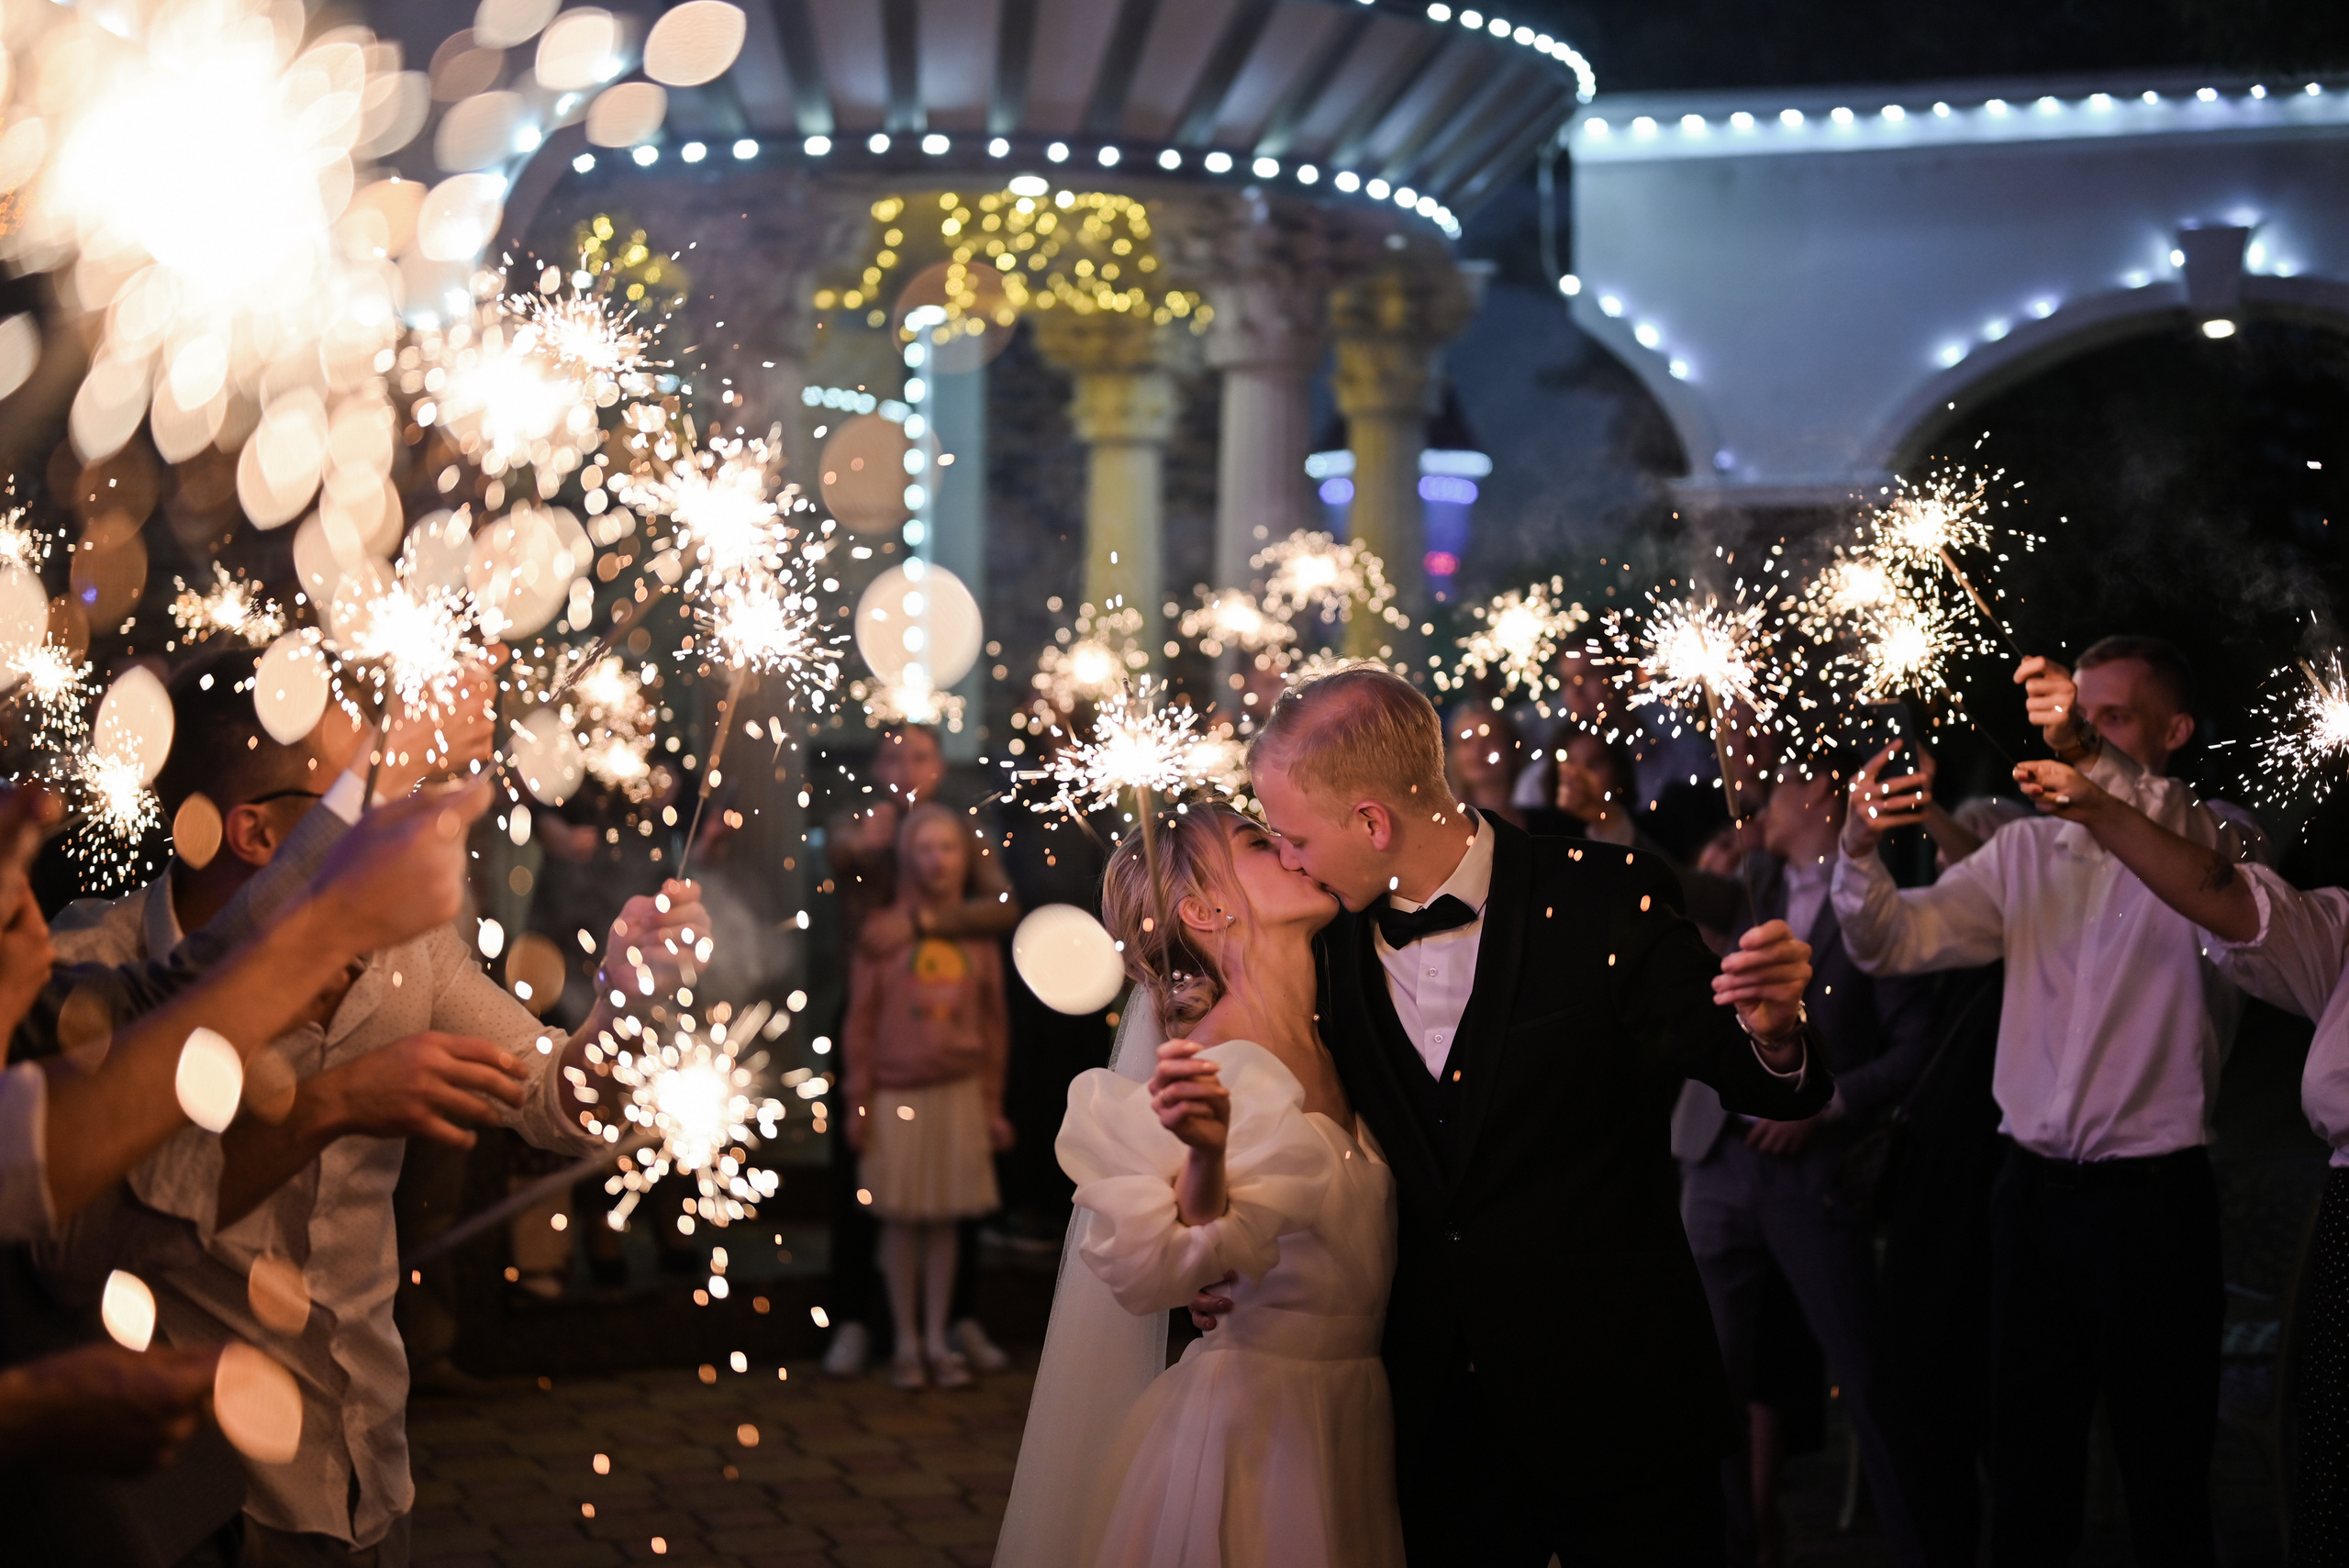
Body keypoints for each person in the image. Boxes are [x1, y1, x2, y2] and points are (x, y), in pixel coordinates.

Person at [48, 648, 710, 1565]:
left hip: (369, 1457)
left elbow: (555, 1099)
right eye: (362, 788)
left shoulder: (410, 947)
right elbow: (110, 1215)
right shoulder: (92, 964)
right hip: (195, 1495)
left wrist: (625, 1005)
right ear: (256, 834)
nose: (399, 807)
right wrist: (337, 1101)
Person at [1195, 662, 1830, 1565]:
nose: (1288, 858)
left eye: (1295, 836)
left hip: (1622, 1399)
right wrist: (1225, 1258)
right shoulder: (1321, 947)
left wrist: (1776, 1033)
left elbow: (1759, 1079)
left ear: (1372, 821)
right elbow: (1294, 1134)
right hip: (1435, 1422)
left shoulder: (1606, 893)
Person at [1835, 643, 2254, 1567]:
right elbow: (1891, 941)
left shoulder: (2213, 836)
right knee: (2028, 1475)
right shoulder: (2025, 851)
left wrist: (2084, 754)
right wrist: (1859, 848)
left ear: (2174, 732)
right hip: (2028, 1199)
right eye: (2076, 716)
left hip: (2153, 1206)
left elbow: (2189, 847)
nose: (2078, 735)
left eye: (2111, 718)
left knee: (2165, 1478)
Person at [1000, 802, 1402, 1566]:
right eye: (1259, 841)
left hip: (1358, 1412)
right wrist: (1207, 1156)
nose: (1290, 848)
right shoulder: (1209, 1065)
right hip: (1260, 1436)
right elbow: (1172, 1250)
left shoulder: (1343, 1024)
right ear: (1203, 910)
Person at [2010, 745, 2349, 1563]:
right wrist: (2100, 802)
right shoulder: (2339, 928)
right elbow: (2228, 896)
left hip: (2158, 1191)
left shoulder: (2226, 825)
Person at [1672, 760, 1935, 1566]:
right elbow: (1663, 885)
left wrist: (1828, 1103)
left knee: (1866, 1375)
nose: (1757, 801)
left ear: (1821, 792)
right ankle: (1729, 1546)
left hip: (1812, 1176)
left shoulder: (1878, 904)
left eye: (1776, 786)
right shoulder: (1750, 882)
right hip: (1717, 1160)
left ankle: (1921, 1546)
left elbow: (1915, 1048)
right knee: (1702, 1380)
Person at [818, 723, 1021, 1379]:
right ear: (876, 764)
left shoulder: (962, 832)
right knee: (863, 1178)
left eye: (921, 755)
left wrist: (922, 921)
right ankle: (856, 1318)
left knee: (956, 1187)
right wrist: (867, 847)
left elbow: (1002, 906)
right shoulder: (860, 823)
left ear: (940, 765)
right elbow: (838, 855)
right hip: (874, 1016)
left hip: (951, 1012)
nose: (907, 767)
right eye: (894, 755)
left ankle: (954, 1319)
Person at [1442, 707, 1573, 836]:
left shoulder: (1554, 824)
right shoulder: (1444, 827)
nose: (1477, 750)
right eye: (1466, 742)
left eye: (1490, 738)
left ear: (1513, 749)